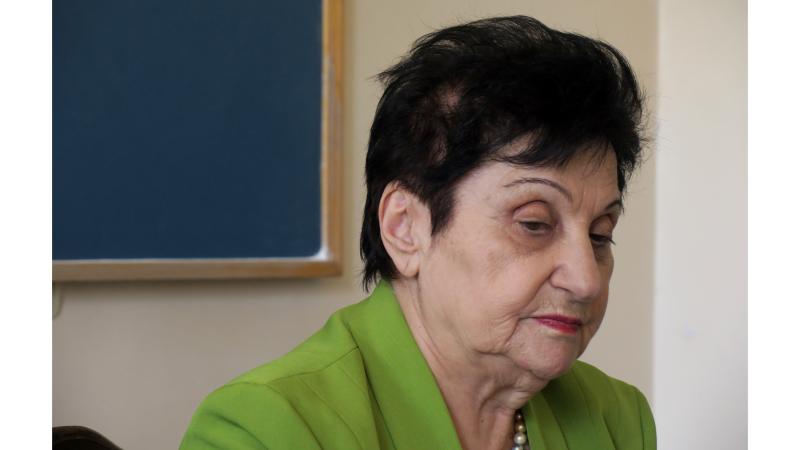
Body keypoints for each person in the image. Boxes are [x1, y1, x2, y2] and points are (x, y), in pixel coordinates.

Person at [181, 15, 656, 450]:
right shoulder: (263, 429)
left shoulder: (616, 419)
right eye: (534, 224)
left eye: (600, 234)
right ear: (405, 228)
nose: (586, 280)